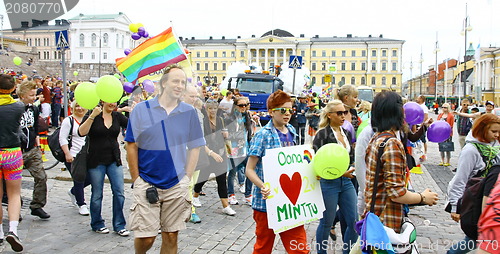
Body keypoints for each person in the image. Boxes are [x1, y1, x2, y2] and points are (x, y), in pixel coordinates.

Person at [125, 65, 205, 254]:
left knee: (171, 235)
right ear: (163, 83)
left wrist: (187, 177)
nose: (179, 86)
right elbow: (131, 145)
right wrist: (136, 178)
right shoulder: (142, 110)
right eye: (175, 81)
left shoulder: (189, 112)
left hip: (176, 183)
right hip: (147, 181)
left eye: (183, 82)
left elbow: (195, 146)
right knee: (146, 237)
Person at [364, 91, 438, 232]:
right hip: (386, 222)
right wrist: (422, 198)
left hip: (376, 216)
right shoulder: (391, 143)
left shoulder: (377, 138)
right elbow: (396, 192)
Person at [245, 90, 308, 253]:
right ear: (272, 112)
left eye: (290, 110)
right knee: (263, 248)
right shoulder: (263, 135)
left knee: (299, 248)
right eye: (283, 110)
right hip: (266, 203)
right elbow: (249, 169)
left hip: (291, 203)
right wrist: (262, 186)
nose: (287, 114)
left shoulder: (292, 132)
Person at [446, 114, 500, 254]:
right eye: (493, 132)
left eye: (498, 131)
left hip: (491, 196)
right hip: (475, 199)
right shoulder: (471, 150)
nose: (497, 135)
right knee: (474, 238)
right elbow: (460, 179)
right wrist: (455, 206)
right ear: (482, 129)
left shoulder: (495, 146)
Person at [313, 100, 358, 254]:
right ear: (329, 115)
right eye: (339, 113)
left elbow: (349, 157)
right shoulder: (322, 134)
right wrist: (339, 172)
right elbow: (317, 162)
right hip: (328, 183)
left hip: (346, 181)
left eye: (344, 112)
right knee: (326, 223)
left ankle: (348, 251)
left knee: (354, 222)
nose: (343, 116)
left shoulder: (346, 133)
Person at [78, 100, 129, 236]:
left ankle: (119, 225)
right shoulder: (93, 113)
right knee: (97, 194)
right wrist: (92, 116)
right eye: (110, 101)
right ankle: (97, 223)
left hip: (114, 160)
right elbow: (81, 132)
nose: (113, 104)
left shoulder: (117, 116)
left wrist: (133, 112)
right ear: (103, 100)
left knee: (119, 193)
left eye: (115, 101)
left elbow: (134, 125)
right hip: (96, 161)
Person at [192, 99, 236, 216]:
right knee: (203, 176)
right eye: (210, 108)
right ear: (206, 109)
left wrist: (227, 139)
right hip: (208, 154)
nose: (212, 111)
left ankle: (226, 206)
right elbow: (201, 141)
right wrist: (211, 153)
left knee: (222, 180)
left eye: (215, 108)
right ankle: (195, 195)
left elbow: (226, 136)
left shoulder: (221, 120)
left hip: (220, 153)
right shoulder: (203, 122)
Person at [17, 80, 51, 219]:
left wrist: (37, 145)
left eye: (34, 94)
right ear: (22, 95)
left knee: (41, 177)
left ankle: (37, 205)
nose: (34, 97)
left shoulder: (34, 109)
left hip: (32, 149)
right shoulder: (14, 108)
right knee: (14, 182)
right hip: (17, 150)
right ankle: (15, 208)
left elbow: (35, 128)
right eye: (31, 95)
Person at [0, 73, 25, 252]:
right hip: (13, 153)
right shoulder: (18, 106)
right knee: (14, 194)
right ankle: (13, 230)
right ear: (13, 89)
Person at [61, 100, 90, 216]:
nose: (80, 108)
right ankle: (81, 204)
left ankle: (73, 192)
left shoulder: (89, 120)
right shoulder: (69, 121)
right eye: (77, 106)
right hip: (73, 155)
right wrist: (67, 153)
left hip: (87, 155)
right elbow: (62, 138)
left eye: (82, 105)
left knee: (91, 178)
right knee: (79, 179)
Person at [226, 96, 254, 206]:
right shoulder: (230, 118)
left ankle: (248, 195)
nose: (244, 107)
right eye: (241, 105)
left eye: (245, 105)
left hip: (245, 149)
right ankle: (231, 195)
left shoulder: (247, 116)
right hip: (233, 149)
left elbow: (248, 134)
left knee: (251, 172)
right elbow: (228, 134)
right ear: (235, 106)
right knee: (232, 173)